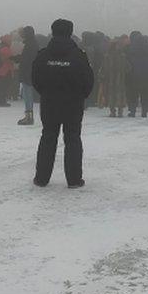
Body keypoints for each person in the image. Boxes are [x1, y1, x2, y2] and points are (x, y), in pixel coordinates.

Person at [31, 19, 95, 189]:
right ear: (71, 32)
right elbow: (88, 80)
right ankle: (74, 179)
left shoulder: (43, 55)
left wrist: (45, 93)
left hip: (49, 102)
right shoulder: (79, 56)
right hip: (73, 103)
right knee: (73, 138)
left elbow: (35, 78)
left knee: (48, 137)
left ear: (52, 31)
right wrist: (81, 96)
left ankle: (41, 178)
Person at [15, 26, 39, 125]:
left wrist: (16, 58)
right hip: (30, 71)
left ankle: (29, 117)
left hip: (27, 72)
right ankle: (29, 116)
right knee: (27, 94)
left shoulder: (29, 44)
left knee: (27, 94)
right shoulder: (33, 43)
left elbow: (26, 59)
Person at [99, 37, 129, 117]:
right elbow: (128, 68)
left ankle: (112, 112)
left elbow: (103, 68)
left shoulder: (107, 56)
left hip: (110, 79)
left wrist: (102, 76)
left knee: (110, 94)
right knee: (120, 94)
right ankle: (120, 111)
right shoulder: (123, 56)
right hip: (120, 79)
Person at [0, 35, 14, 107]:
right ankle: (2, 102)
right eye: (10, 40)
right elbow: (10, 59)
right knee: (4, 87)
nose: (11, 42)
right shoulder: (6, 49)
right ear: (7, 41)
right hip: (5, 70)